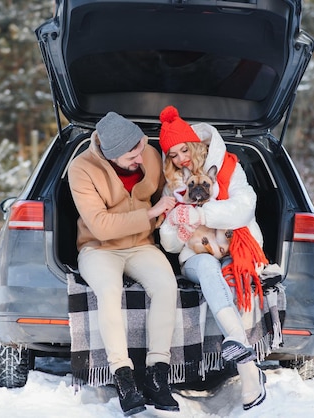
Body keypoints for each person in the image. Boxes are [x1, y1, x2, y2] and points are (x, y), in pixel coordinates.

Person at [68, 111, 180, 416]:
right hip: (98, 248)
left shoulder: (150, 155)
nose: (141, 159)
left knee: (167, 286)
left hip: (142, 244)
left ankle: (158, 374)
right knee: (109, 290)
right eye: (133, 154)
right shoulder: (81, 169)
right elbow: (101, 226)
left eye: (142, 147)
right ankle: (124, 377)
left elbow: (163, 197)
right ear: (111, 154)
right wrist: (149, 213)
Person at [158, 105, 268, 411]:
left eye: (184, 150)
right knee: (208, 267)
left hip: (235, 247)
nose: (180, 159)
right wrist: (179, 221)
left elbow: (244, 208)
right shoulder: (173, 185)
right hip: (194, 253)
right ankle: (246, 360)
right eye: (173, 155)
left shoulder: (230, 168)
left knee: (235, 275)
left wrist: (199, 213)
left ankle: (245, 364)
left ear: (195, 145)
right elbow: (167, 242)